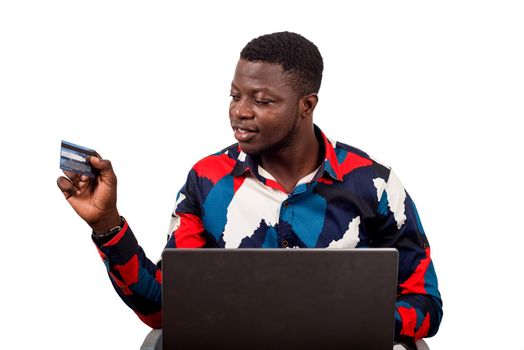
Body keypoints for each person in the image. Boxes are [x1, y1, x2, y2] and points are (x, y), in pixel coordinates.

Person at [57, 31, 442, 349]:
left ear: (306, 106)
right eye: (235, 95)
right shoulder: (207, 180)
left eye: (262, 101)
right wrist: (107, 224)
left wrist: (350, 322)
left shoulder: (373, 183)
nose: (240, 111)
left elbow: (425, 303)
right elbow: (164, 309)